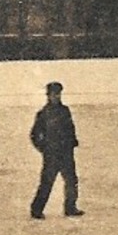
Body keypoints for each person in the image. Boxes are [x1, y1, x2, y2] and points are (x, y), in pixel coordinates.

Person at [30, 81, 83, 219]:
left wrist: (72, 141)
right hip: (51, 154)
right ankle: (36, 210)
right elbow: (34, 134)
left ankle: (70, 208)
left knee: (71, 181)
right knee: (47, 183)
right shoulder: (43, 114)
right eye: (54, 94)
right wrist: (43, 148)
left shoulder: (65, 111)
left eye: (58, 94)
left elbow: (70, 128)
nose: (57, 97)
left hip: (66, 152)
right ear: (48, 96)